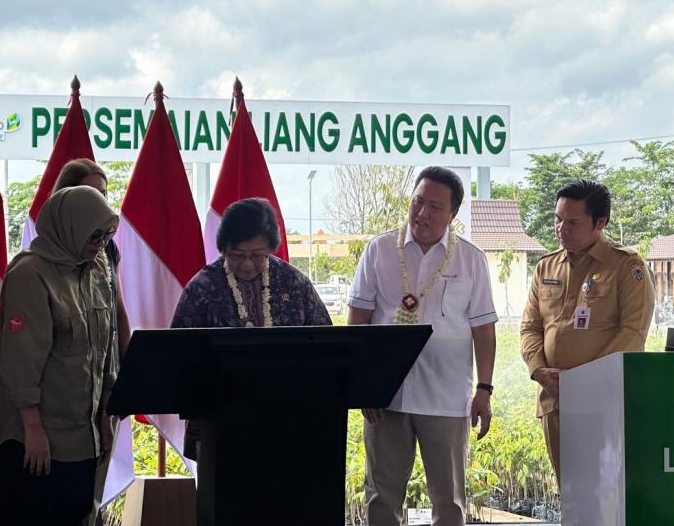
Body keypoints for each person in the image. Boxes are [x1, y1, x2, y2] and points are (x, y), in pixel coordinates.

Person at [348, 166, 497, 526]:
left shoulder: (471, 259)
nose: (422, 213)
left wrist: (485, 390)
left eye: (434, 206)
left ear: (452, 214)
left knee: (449, 502)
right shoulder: (380, 249)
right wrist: (364, 383)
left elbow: (484, 330)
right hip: (386, 398)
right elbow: (358, 318)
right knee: (381, 499)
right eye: (417, 202)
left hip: (446, 399)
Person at [0, 186, 119, 525]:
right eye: (94, 236)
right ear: (69, 227)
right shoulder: (29, 273)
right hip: (35, 439)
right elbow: (20, 360)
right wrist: (33, 429)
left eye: (106, 236)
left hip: (82, 434)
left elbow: (107, 349)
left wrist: (105, 416)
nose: (100, 245)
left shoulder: (95, 269)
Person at [171, 197, 332, 458]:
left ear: (270, 249)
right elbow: (177, 355)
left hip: (287, 418)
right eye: (237, 255)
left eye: (258, 255)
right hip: (220, 424)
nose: (247, 264)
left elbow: (325, 342)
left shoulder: (293, 283)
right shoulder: (202, 288)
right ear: (224, 249)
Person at [520, 179, 654, 483]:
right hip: (553, 399)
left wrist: (582, 382)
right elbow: (530, 327)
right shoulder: (546, 267)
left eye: (573, 222)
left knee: (606, 495)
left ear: (600, 223)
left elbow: (632, 334)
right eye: (558, 219)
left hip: (603, 403)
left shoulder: (626, 266)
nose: (561, 228)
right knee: (570, 494)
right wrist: (538, 369)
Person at [52, 159, 132, 526]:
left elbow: (118, 309)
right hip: (65, 398)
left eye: (104, 194)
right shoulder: (53, 250)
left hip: (107, 383)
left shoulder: (107, 249)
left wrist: (131, 376)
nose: (101, 203)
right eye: (93, 194)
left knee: (92, 495)